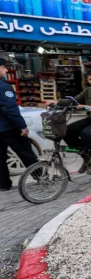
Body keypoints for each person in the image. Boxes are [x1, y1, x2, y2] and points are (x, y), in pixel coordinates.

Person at [0, 58, 38, 191]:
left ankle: (3, 185)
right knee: (25, 152)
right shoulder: (3, 86)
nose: (6, 70)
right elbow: (10, 109)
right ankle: (41, 177)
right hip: (8, 127)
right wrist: (22, 126)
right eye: (4, 67)